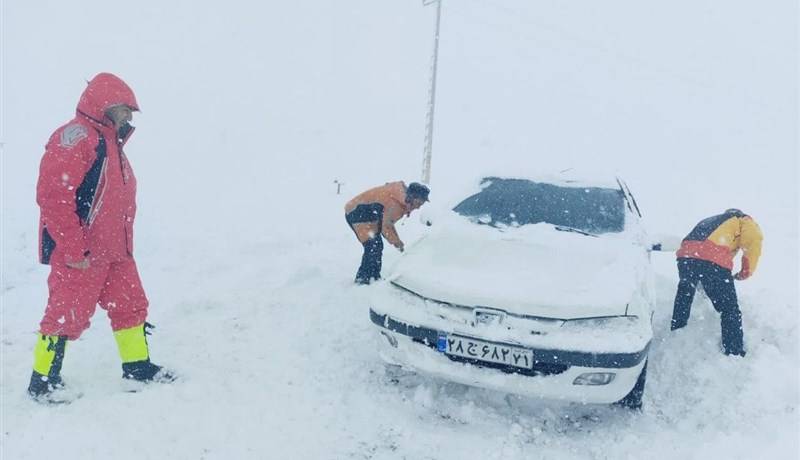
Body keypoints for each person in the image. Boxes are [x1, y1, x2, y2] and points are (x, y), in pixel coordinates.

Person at [28, 73, 173, 401]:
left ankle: (137, 367)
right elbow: (54, 196)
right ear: (105, 104)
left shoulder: (110, 142)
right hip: (82, 252)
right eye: (124, 109)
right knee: (65, 314)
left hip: (115, 251)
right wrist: (74, 246)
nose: (128, 117)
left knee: (131, 305)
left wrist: (122, 246)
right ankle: (43, 380)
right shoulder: (77, 136)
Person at [670, 209, 763, 356]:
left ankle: (676, 332)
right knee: (729, 308)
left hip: (685, 256)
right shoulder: (744, 221)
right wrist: (745, 272)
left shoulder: (714, 221)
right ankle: (734, 352)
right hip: (711, 261)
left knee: (685, 293)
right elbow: (753, 243)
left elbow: (700, 244)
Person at [345, 181, 430, 284]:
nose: (418, 207)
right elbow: (386, 228)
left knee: (376, 245)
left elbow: (387, 223)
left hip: (369, 214)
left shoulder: (401, 197)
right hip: (356, 213)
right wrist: (397, 243)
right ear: (412, 197)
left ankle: (373, 277)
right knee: (372, 245)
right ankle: (363, 279)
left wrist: (397, 241)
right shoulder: (395, 203)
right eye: (418, 203)